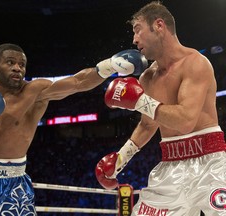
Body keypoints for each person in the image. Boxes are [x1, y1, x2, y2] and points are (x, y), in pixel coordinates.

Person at [0, 43, 147, 215]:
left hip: (11, 185)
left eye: (22, 64)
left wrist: (108, 66)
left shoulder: (34, 91)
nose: (17, 68)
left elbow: (77, 82)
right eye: (10, 62)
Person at [95, 1, 226, 216]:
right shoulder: (147, 77)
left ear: (159, 25)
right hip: (170, 166)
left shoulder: (196, 63)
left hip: (211, 163)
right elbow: (148, 124)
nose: (134, 40)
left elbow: (186, 120)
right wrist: (120, 160)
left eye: (138, 30)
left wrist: (138, 101)